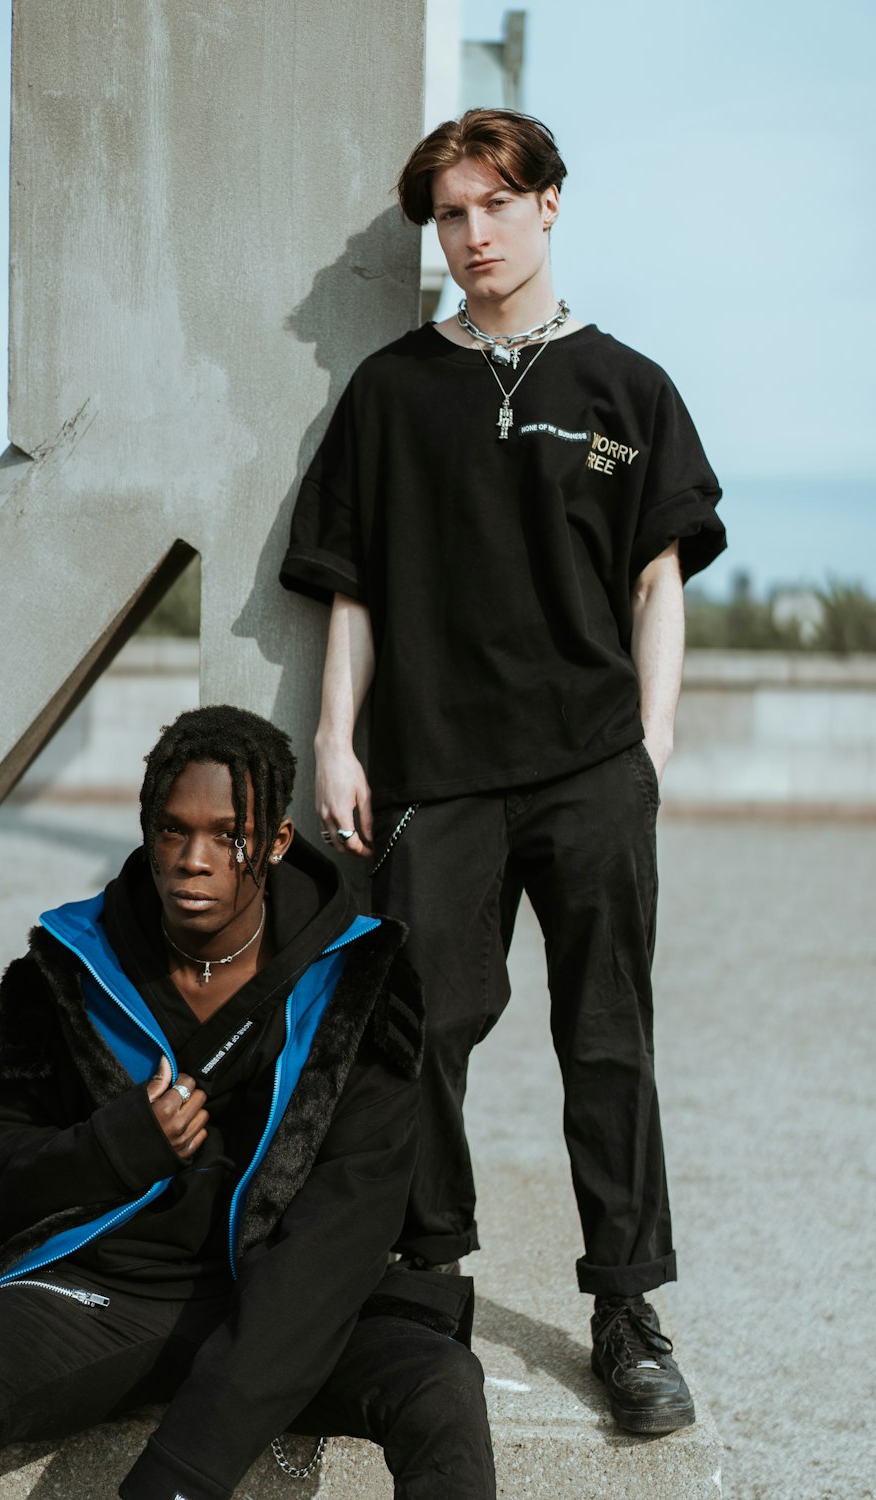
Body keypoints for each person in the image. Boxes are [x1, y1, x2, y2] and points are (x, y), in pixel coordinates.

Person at [279, 108, 727, 1435]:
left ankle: (628, 1314)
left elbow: (659, 582)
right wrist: (332, 738)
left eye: (492, 206)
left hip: (591, 765)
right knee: (422, 1039)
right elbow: (346, 591)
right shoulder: (391, 391)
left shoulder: (627, 389)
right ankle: (427, 1288)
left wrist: (648, 750)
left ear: (546, 208)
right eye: (449, 216)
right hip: (437, 770)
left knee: (607, 1042)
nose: (471, 236)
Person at [0, 705, 495, 1499]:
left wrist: (182, 1472)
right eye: (171, 831)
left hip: (287, 1306)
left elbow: (339, 1238)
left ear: (273, 841)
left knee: (440, 1385)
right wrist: (109, 1149)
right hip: (105, 1295)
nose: (192, 861)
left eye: (225, 834)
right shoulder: (65, 974)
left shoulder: (357, 991)